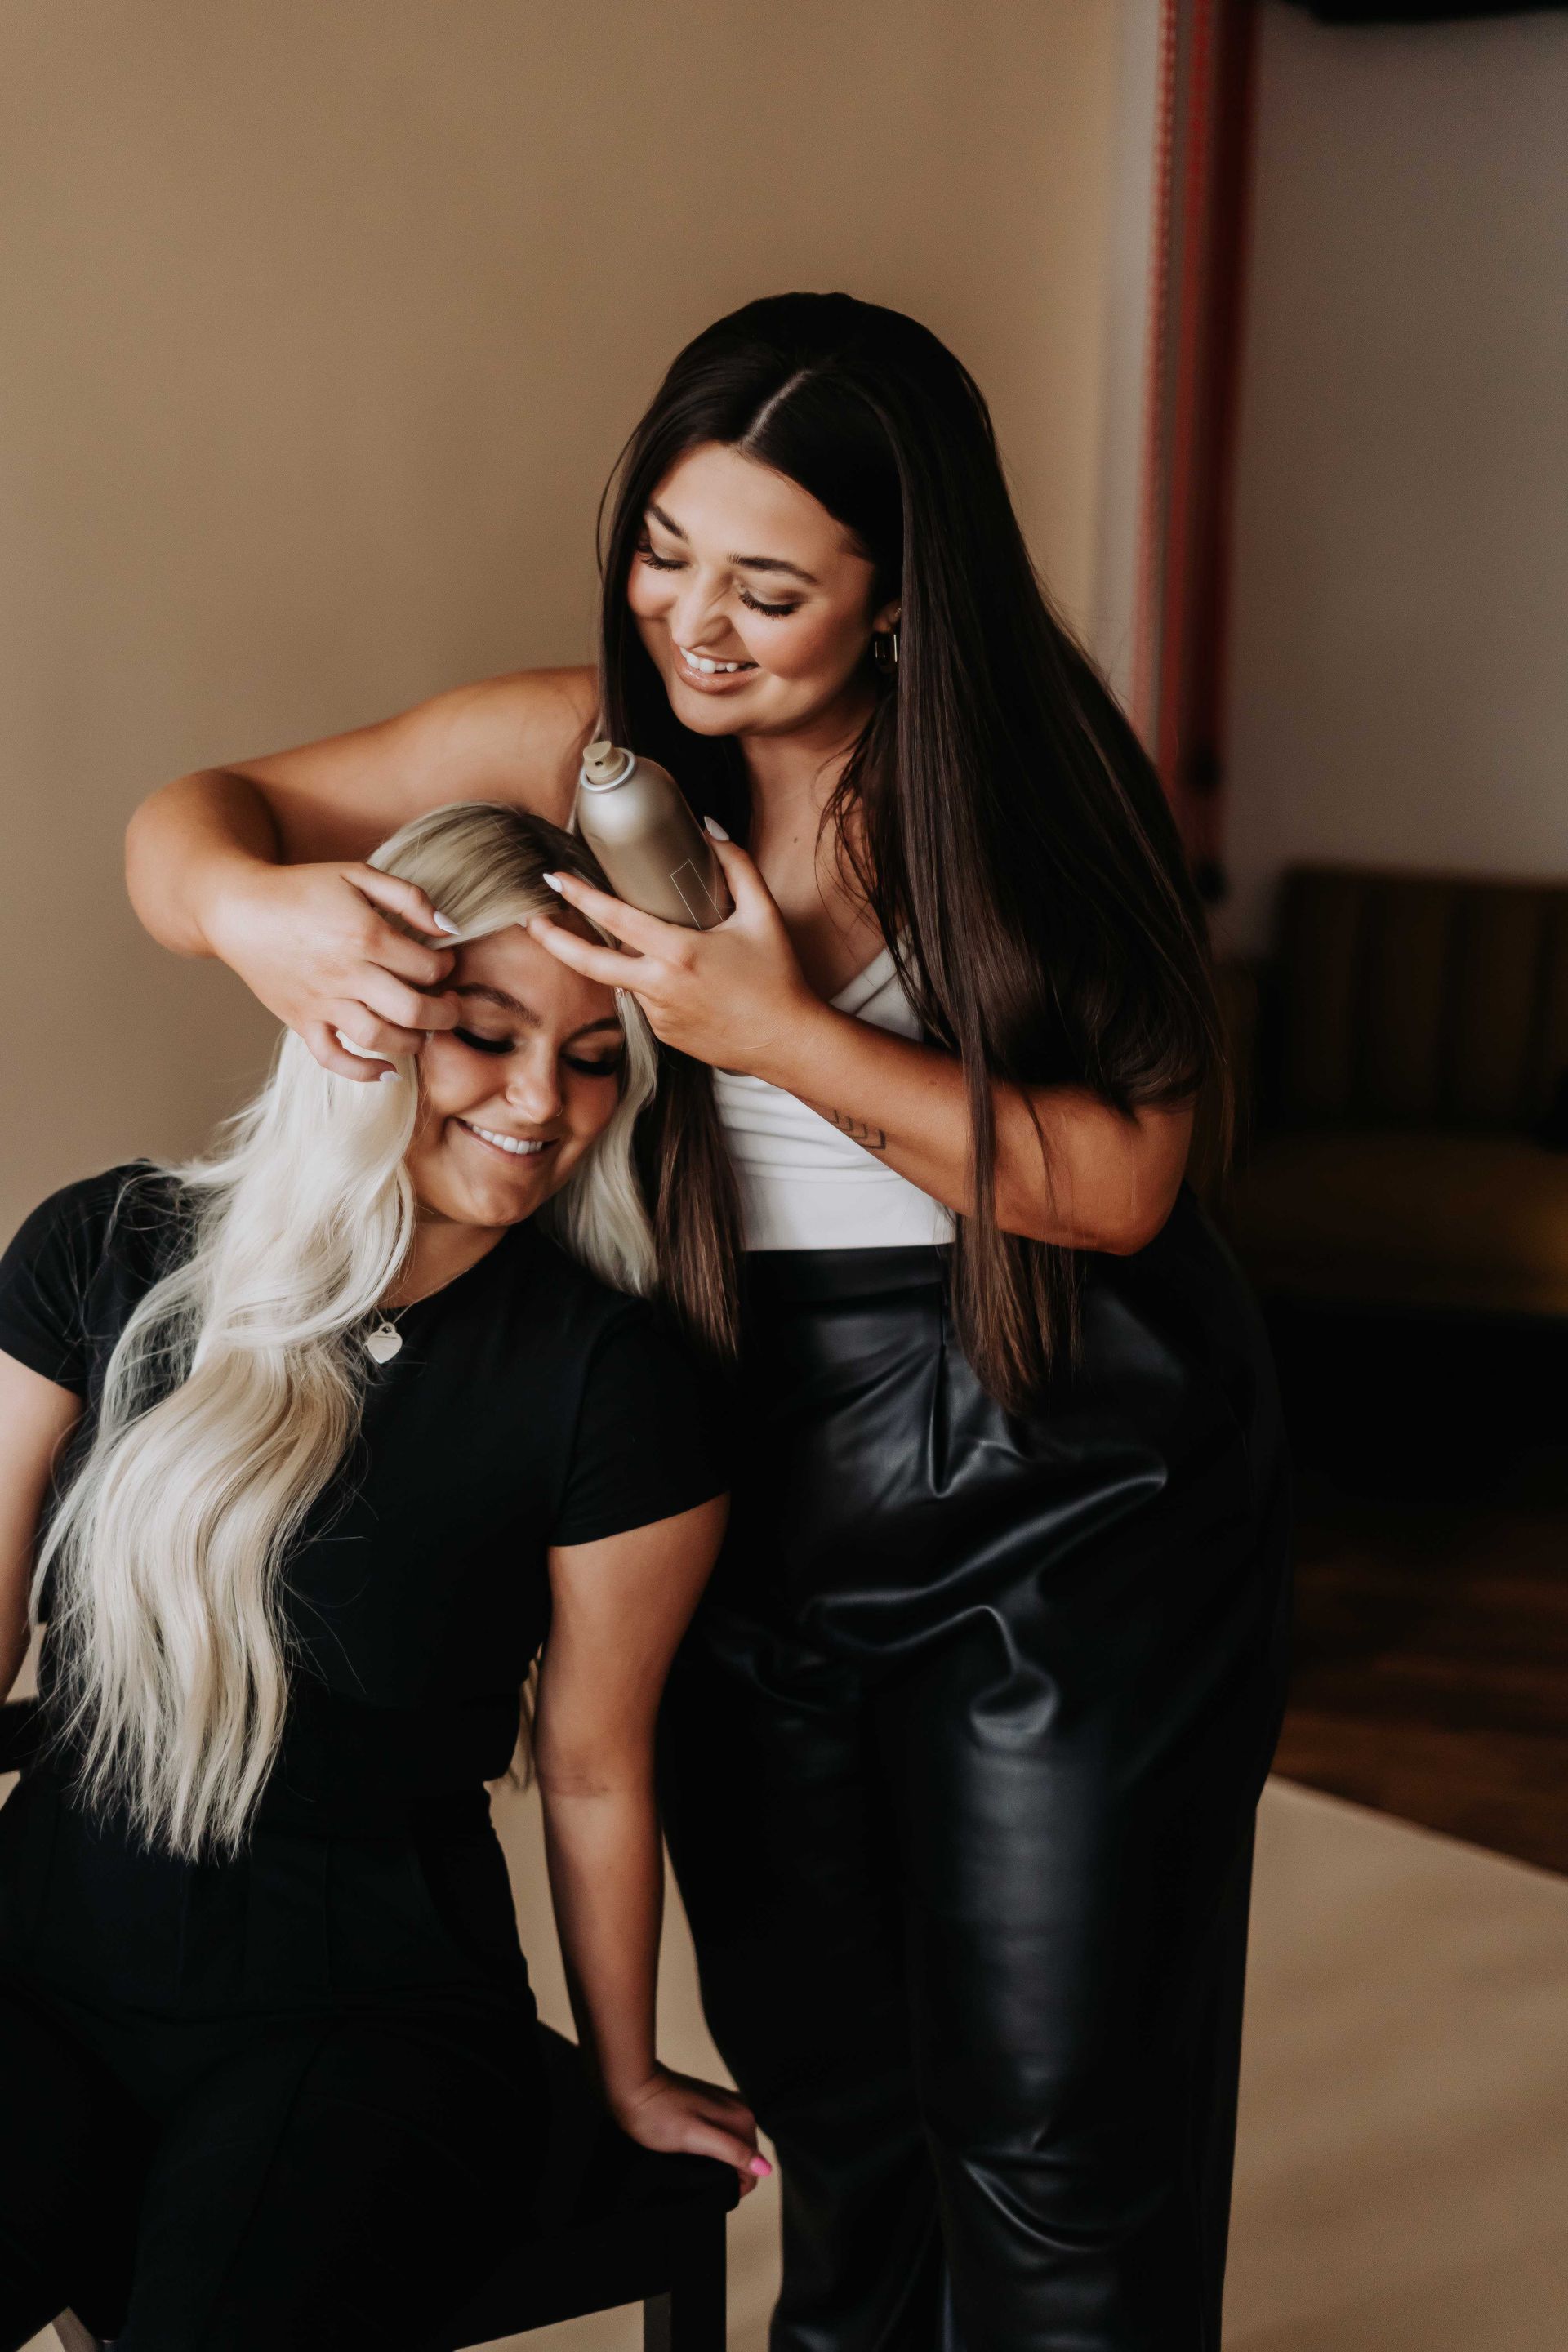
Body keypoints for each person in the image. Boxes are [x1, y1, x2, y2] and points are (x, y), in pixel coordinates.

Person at [123, 293, 1292, 2351]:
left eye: (770, 589)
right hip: (735, 1440)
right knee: (835, 2098)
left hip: (1067, 1456)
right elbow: (190, 819)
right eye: (666, 554)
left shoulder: (1025, 781)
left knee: (1051, 2119)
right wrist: (252, 908)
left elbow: (1120, 1183)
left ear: (904, 594)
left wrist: (777, 1033)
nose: (695, 626)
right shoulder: (578, 745)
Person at [0, 803, 765, 2352]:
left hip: (363, 2021)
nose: (544, 1101)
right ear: (357, 1015)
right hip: (39, 1966)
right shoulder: (106, 1247)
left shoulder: (609, 1382)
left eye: (597, 1057)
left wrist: (625, 2068)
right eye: (485, 1035)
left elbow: (595, 1764)